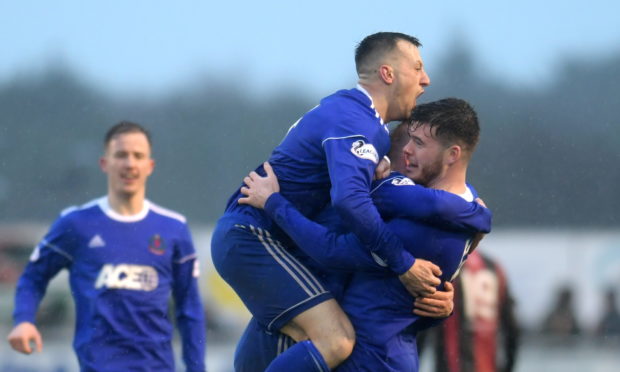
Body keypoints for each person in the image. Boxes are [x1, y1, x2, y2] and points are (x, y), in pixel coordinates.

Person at [211, 31, 440, 372]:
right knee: (336, 339)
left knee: (272, 356)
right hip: (255, 238)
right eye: (418, 67)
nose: (426, 79)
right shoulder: (357, 121)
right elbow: (350, 201)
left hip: (277, 247)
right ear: (388, 74)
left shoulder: (353, 115)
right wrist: (403, 264)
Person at [239, 98, 491, 371]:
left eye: (418, 143)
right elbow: (420, 310)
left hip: (367, 359)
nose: (407, 151)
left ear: (453, 154)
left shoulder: (414, 226)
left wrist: (274, 203)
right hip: (395, 356)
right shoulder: (470, 202)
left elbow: (331, 248)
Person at [7, 121, 206, 372]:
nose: (129, 163)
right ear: (105, 163)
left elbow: (189, 308)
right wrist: (24, 320)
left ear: (149, 166)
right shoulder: (76, 224)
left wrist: (196, 367)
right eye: (121, 155)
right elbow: (33, 278)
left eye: (138, 156)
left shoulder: (173, 228)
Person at [417, 249, 520, 372]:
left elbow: (422, 324)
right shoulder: (493, 267)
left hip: (452, 366)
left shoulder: (446, 267)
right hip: (488, 366)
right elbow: (512, 329)